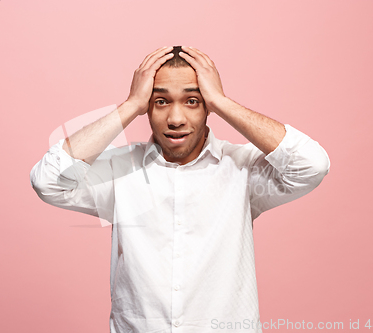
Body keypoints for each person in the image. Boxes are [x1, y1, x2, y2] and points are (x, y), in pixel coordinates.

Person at [29, 46, 331, 333]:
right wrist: (130, 105)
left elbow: (311, 165)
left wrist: (222, 102)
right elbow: (48, 181)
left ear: (208, 107)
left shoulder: (244, 169)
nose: (175, 119)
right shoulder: (119, 171)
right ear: (148, 106)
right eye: (161, 101)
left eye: (193, 101)